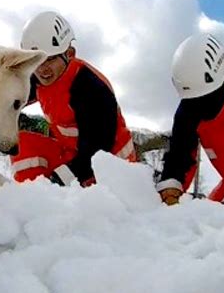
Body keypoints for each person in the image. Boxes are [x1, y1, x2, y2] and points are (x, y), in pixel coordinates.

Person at [11, 11, 136, 187]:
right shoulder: (39, 79)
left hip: (110, 164)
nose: (42, 69)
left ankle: (64, 202)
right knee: (22, 144)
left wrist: (60, 178)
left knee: (66, 183)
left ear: (69, 53)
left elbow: (98, 149)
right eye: (36, 61)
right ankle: (32, 198)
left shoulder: (90, 87)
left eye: (51, 59)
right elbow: (12, 97)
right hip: (74, 154)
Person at [157, 32, 224, 209]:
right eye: (193, 102)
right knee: (204, 224)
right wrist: (171, 187)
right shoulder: (188, 112)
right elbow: (180, 155)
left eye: (205, 99)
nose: (199, 108)